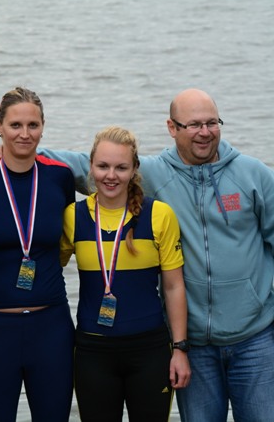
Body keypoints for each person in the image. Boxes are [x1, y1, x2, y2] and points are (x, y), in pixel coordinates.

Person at [39, 88, 274, 422]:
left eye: (212, 123)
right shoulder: (153, 173)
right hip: (193, 343)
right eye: (193, 125)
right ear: (172, 127)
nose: (204, 132)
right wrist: (22, 151)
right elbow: (84, 166)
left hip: (255, 339)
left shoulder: (253, 174)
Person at [0, 87, 76, 421]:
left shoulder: (60, 176)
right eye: (15, 125)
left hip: (51, 327)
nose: (24, 134)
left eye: (33, 125)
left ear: (43, 127)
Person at [60, 126, 190, 421]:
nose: (111, 175)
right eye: (103, 166)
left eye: (121, 167)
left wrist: (180, 349)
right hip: (92, 351)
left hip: (150, 351)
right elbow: (49, 272)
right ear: (91, 166)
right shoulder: (73, 217)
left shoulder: (159, 215)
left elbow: (173, 287)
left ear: (134, 170)